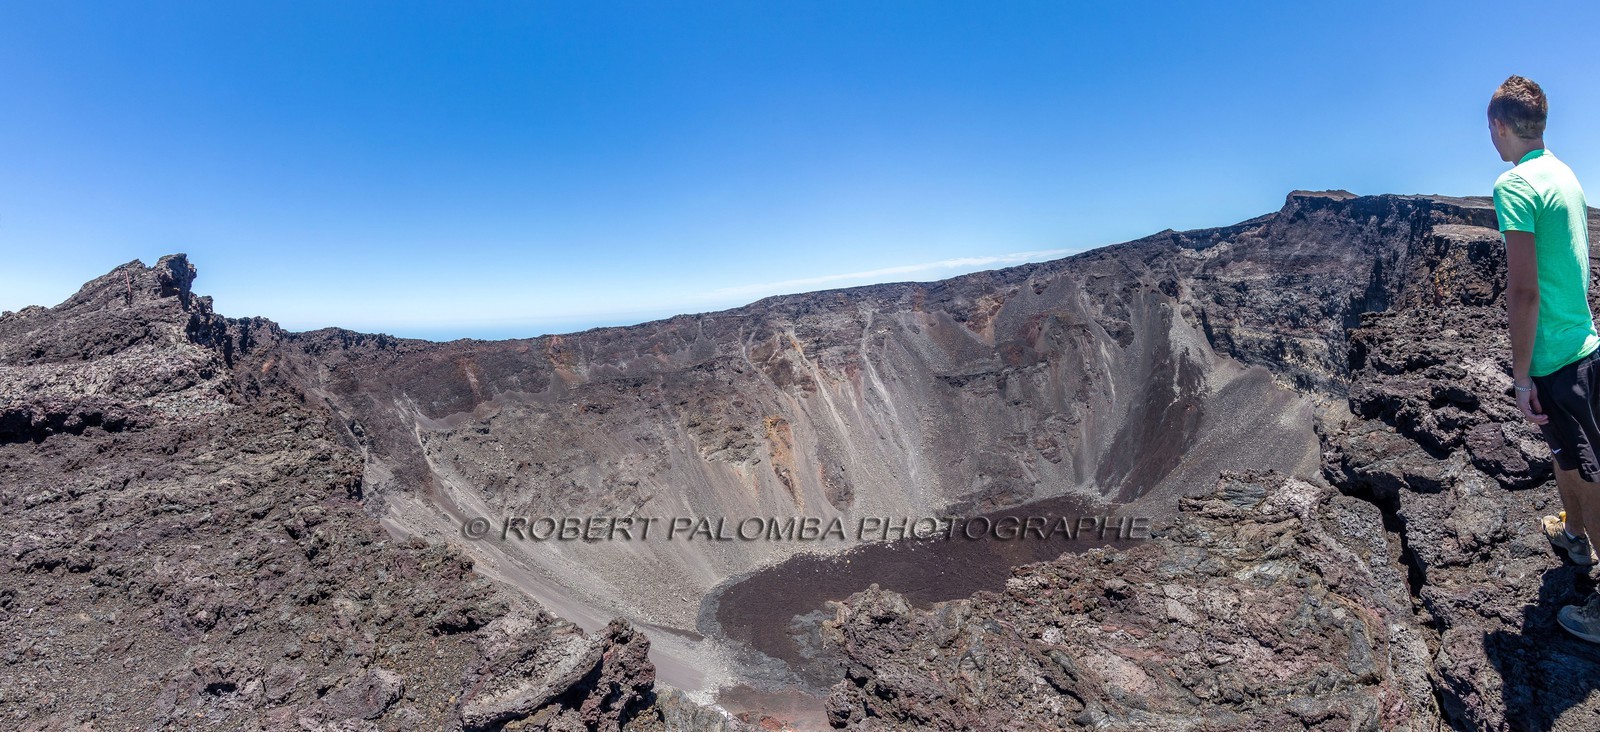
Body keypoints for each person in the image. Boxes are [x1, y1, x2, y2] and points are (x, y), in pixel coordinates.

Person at [1490, 74, 1600, 642]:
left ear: (1499, 126)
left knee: (1592, 471)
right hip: (1580, 344)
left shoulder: (1515, 185)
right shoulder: (1566, 175)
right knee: (1567, 454)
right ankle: (1573, 534)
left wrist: (1521, 372)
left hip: (1559, 359)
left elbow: (1524, 291)